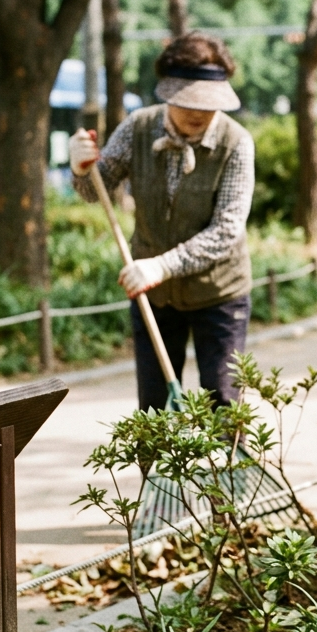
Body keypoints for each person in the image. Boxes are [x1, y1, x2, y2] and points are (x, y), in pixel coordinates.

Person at [69, 32, 255, 411]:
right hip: (154, 297)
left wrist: (160, 265)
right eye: (188, 101)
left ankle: (227, 470)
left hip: (219, 295)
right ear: (168, 93)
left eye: (209, 104)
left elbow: (226, 231)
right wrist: (80, 167)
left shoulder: (236, 143)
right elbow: (95, 191)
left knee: (222, 402)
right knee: (152, 410)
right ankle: (151, 473)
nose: (199, 113)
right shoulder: (138, 128)